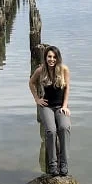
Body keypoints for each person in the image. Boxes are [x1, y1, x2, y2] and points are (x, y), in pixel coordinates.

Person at [28, 45, 71, 176]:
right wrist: (37, 99)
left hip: (60, 107)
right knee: (51, 131)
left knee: (64, 127)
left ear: (58, 58)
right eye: (49, 57)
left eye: (54, 57)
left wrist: (65, 106)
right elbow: (31, 83)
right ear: (46, 58)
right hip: (46, 106)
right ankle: (52, 164)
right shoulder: (41, 70)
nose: (51, 59)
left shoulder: (64, 69)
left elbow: (67, 88)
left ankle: (63, 163)